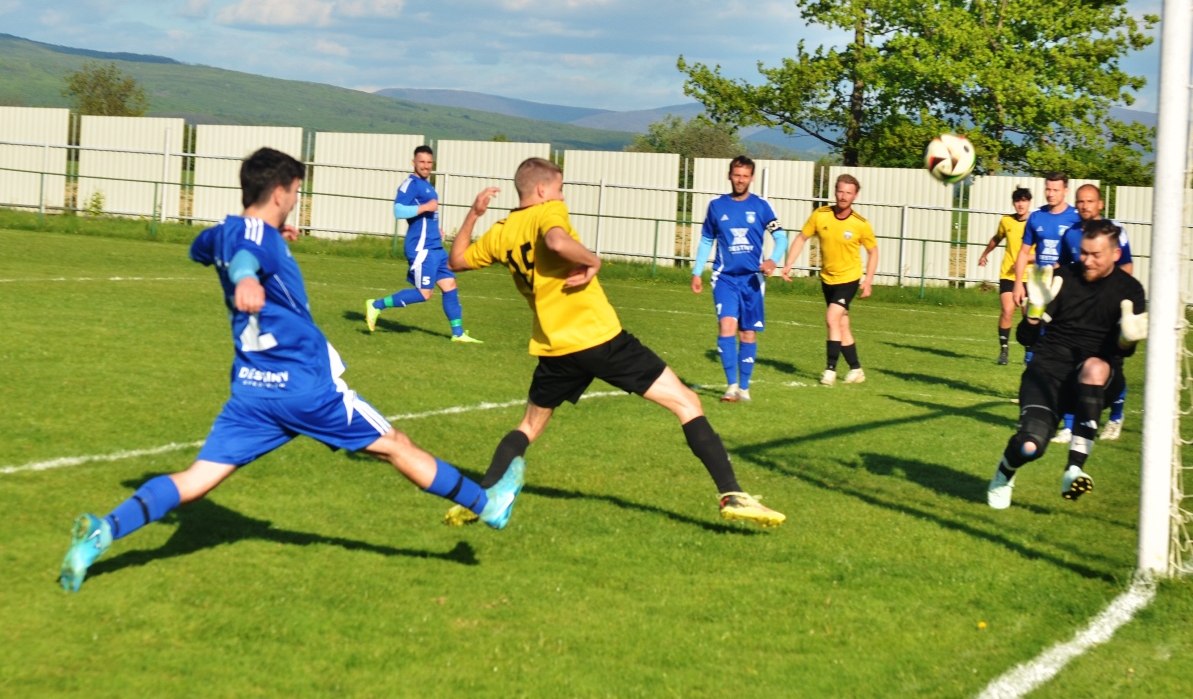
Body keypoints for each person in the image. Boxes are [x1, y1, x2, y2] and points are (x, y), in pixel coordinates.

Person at [59, 148, 510, 593]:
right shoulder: (256, 241)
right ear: (278, 192)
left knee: (194, 480)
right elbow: (246, 258)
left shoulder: (224, 232)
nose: (296, 199)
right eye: (295, 191)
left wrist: (260, 248)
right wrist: (247, 276)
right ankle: (486, 504)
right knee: (395, 445)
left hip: (253, 393)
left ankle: (104, 531)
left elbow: (206, 249)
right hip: (306, 388)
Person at [445, 157, 785, 528]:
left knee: (528, 426)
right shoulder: (549, 211)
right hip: (600, 338)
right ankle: (731, 494)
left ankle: (483, 497)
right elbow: (556, 241)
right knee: (686, 402)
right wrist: (592, 260)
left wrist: (474, 214)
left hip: (555, 348)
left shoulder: (502, 229)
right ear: (542, 190)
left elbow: (457, 260)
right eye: (560, 188)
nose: (562, 196)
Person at [986, 219, 1148, 510]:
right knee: (1030, 445)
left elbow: (1122, 353)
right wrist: (1034, 312)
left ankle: (1074, 469)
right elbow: (1026, 339)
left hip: (1097, 378)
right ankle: (1004, 473)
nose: (1087, 260)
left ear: (1115, 254)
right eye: (1084, 252)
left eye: (1096, 255)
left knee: (1095, 367)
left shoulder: (1130, 290)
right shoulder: (1063, 278)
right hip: (1047, 372)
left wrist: (1127, 340)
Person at [691, 156, 786, 402]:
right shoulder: (716, 206)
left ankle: (744, 388)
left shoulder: (762, 206)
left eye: (745, 176)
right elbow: (706, 240)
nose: (740, 180)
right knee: (726, 326)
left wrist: (773, 260)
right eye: (737, 175)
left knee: (747, 334)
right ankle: (731, 386)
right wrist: (697, 271)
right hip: (724, 278)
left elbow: (781, 238)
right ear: (729, 175)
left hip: (753, 280)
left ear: (751, 178)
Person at [364, 145, 481, 343]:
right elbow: (398, 211)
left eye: (429, 162)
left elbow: (426, 218)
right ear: (414, 163)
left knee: (450, 284)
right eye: (422, 162)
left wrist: (436, 230)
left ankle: (458, 334)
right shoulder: (410, 184)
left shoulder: (427, 186)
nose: (426, 166)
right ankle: (376, 305)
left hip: (435, 246)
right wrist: (425, 207)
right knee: (425, 293)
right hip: (421, 248)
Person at [781, 173, 879, 385]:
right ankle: (856, 370)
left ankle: (830, 370)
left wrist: (868, 280)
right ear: (835, 192)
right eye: (840, 191)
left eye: (848, 193)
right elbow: (801, 238)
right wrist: (788, 263)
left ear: (855, 196)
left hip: (849, 279)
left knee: (832, 319)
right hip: (828, 279)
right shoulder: (820, 215)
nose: (843, 196)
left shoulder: (860, 224)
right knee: (842, 325)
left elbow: (873, 252)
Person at [1056, 183, 1134, 441]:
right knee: (1071, 362)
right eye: (1080, 201)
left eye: (1090, 201)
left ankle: (1115, 418)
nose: (1084, 206)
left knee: (1110, 364)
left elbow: (1127, 267)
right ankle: (1069, 426)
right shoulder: (1070, 234)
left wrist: (1116, 300)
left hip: (1107, 309)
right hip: (1078, 311)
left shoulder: (1115, 232)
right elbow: (1063, 268)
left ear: (1100, 204)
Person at [1010, 172, 1081, 366]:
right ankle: (1031, 372)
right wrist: (1018, 284)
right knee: (1033, 331)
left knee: (1062, 334)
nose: (1050, 194)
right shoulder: (1036, 217)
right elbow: (1024, 252)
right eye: (1048, 189)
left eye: (1055, 190)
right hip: (1039, 286)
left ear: (1066, 191)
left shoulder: (1076, 218)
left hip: (1065, 285)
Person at [976, 187, 1032, 365]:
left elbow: (1042, 251)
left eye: (1024, 200)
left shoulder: (1035, 222)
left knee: (1028, 316)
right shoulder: (1006, 221)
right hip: (1008, 274)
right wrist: (985, 254)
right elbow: (997, 238)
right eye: (1017, 201)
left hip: (1029, 276)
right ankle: (1004, 351)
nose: (1020, 204)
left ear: (1029, 202)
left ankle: (1029, 353)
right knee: (1007, 310)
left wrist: (1025, 260)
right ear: (1014, 203)